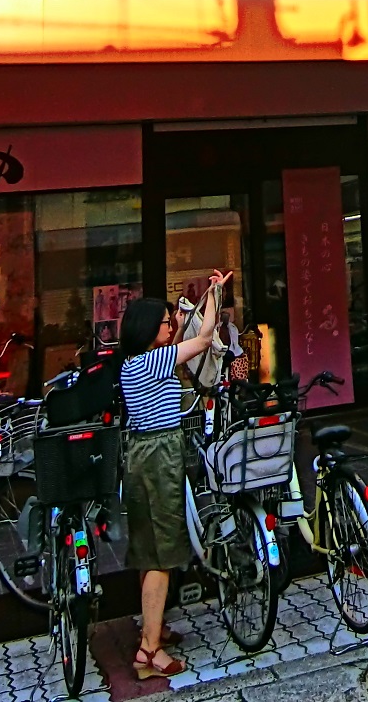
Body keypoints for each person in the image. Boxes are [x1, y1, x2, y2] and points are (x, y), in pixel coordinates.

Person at [117, 271, 229, 681]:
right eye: (165, 323)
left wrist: (179, 324)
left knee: (148, 547)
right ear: (150, 330)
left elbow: (177, 344)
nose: (170, 326)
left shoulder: (133, 364)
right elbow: (205, 339)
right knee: (163, 552)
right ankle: (150, 651)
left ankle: (154, 625)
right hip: (161, 454)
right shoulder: (155, 360)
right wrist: (214, 294)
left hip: (138, 454)